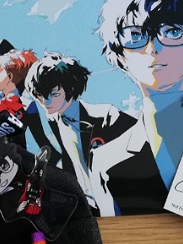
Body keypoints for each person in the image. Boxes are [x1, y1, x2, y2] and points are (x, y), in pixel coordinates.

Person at [91, 0, 183, 215]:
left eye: (172, 32)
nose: (153, 48)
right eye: (135, 35)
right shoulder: (106, 162)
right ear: (120, 55)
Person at [25, 52, 136, 212]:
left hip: (119, 198)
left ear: (70, 88)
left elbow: (142, 145)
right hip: (88, 202)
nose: (46, 102)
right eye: (40, 96)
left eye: (54, 94)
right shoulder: (54, 119)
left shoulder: (106, 116)